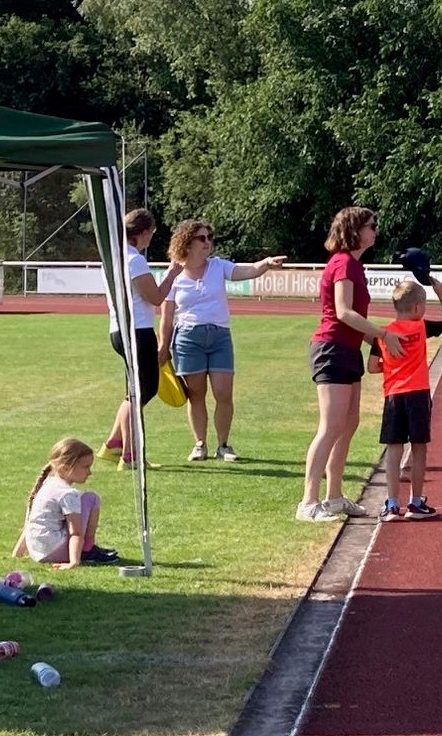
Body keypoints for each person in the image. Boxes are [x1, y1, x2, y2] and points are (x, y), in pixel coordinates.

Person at [301, 206, 404, 523]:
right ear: (355, 230)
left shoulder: (355, 266)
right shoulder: (343, 263)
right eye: (371, 225)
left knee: (348, 424)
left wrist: (378, 343)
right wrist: (383, 335)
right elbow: (343, 312)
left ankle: (334, 497)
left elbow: (352, 321)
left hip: (347, 350)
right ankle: (308, 502)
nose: (376, 230)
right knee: (331, 426)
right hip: (331, 349)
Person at [156, 220, 288, 462]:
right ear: (187, 242)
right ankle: (200, 444)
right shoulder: (173, 274)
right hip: (188, 339)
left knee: (223, 392)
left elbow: (247, 271)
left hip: (219, 338)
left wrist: (266, 264)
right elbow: (166, 317)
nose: (207, 242)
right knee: (196, 395)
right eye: (201, 238)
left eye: (209, 237)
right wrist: (163, 346)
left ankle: (223, 445)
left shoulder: (218, 266)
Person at [100, 210, 186, 470]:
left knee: (135, 391)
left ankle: (114, 445)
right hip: (137, 331)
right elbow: (156, 297)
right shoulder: (134, 260)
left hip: (119, 330)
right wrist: (172, 274)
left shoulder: (115, 258)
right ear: (144, 232)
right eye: (152, 233)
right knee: (141, 392)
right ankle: (130, 455)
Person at [371, 277, 442, 520]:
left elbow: (372, 367)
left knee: (394, 449)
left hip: (393, 393)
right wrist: (441, 294)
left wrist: (392, 366)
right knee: (419, 449)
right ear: (417, 307)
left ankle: (392, 503)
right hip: (418, 393)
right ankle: (416, 502)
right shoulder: (421, 327)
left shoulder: (383, 334)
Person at [14, 438, 118, 567]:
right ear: (65, 468)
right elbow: (76, 533)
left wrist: (17, 553)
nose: (90, 472)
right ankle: (87, 549)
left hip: (38, 552)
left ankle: (86, 549)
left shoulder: (47, 484)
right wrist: (73, 562)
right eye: (86, 467)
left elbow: (32, 523)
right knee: (91, 498)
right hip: (55, 551)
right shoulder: (68, 493)